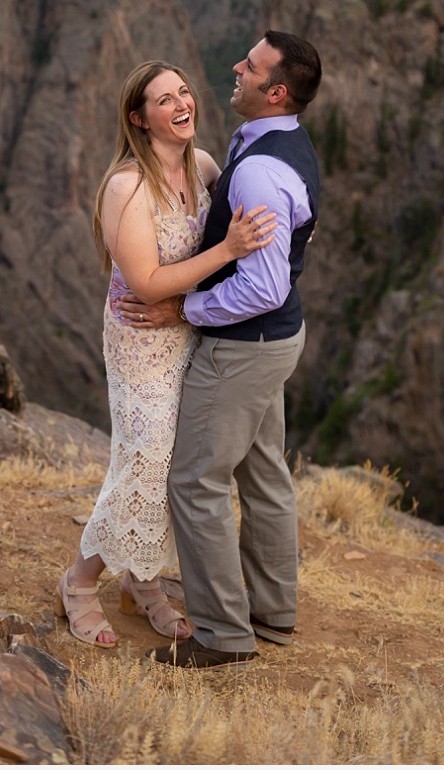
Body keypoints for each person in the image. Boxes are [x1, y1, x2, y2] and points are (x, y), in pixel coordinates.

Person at [55, 59, 278, 648]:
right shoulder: (126, 188)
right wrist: (228, 248)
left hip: (190, 332)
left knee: (178, 463)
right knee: (144, 463)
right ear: (139, 118)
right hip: (141, 342)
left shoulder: (203, 167)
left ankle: (144, 582)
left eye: (184, 92)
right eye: (163, 100)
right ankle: (78, 583)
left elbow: (255, 217)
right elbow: (148, 282)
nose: (181, 104)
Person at [118, 30, 322, 670]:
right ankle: (271, 611)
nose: (236, 67)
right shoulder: (266, 140)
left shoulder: (259, 169)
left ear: (277, 90)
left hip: (243, 348)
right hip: (277, 341)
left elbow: (262, 285)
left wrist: (185, 309)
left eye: (252, 66)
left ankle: (222, 635)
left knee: (195, 480)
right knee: (264, 474)